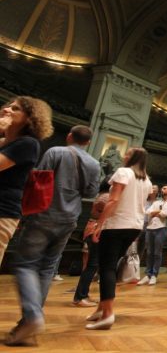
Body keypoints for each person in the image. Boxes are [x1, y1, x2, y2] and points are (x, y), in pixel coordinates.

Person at [6, 124, 100, 346]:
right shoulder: (94, 163)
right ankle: (28, 321)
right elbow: (91, 193)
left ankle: (31, 316)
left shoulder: (56, 152)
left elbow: (38, 179)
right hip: (70, 218)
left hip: (44, 213)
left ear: (69, 136)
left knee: (25, 264)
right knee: (48, 268)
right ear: (87, 142)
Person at [85, 147, 153, 331]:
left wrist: (99, 224)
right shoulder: (146, 180)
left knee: (106, 267)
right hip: (134, 227)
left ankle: (108, 314)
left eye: (127, 154)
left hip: (116, 225)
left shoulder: (123, 172)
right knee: (111, 265)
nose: (124, 156)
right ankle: (101, 308)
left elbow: (113, 200)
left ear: (133, 158)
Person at [0, 97, 53, 268]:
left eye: (15, 109)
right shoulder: (4, 143)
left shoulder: (28, 143)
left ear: (30, 118)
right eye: (8, 106)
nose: (7, 110)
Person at [73, 180, 109, 307]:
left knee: (92, 265)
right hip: (95, 230)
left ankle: (83, 295)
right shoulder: (106, 197)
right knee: (92, 265)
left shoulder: (103, 195)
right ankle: (80, 297)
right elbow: (105, 212)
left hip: (93, 229)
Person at [138, 184, 167, 286]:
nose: (162, 190)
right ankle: (148, 274)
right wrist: (158, 212)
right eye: (162, 188)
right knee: (149, 252)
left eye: (165, 188)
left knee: (157, 253)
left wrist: (156, 212)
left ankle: (154, 274)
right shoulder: (157, 202)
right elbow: (147, 212)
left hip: (161, 229)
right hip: (150, 228)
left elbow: (165, 214)